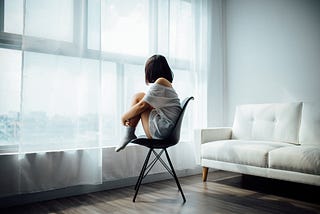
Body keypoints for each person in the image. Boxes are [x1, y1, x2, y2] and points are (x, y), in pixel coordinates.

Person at [115, 55, 181, 152]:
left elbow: (142, 106)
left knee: (139, 98)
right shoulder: (166, 85)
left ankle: (129, 133)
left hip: (162, 132)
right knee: (141, 97)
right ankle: (129, 133)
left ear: (151, 70)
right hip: (167, 131)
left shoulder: (161, 81)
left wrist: (124, 117)